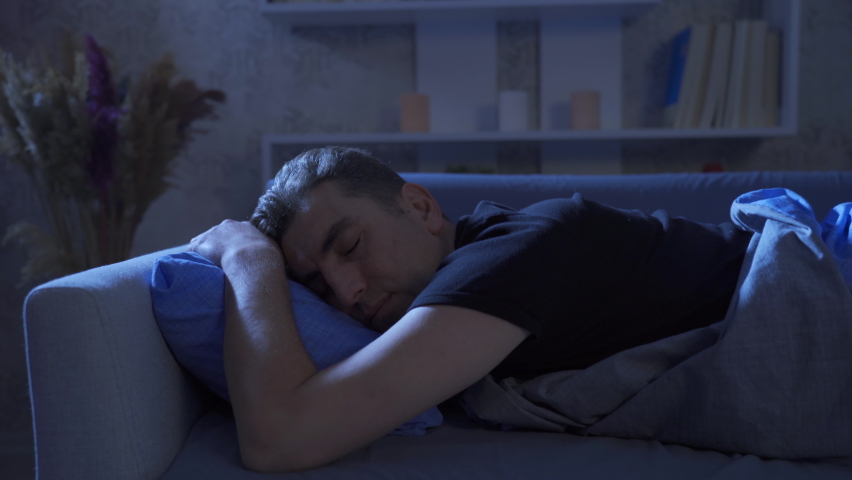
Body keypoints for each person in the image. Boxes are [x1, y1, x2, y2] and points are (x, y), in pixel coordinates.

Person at [188, 146, 752, 473]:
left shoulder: (517, 254)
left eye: (352, 245)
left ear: (420, 207)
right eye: (318, 286)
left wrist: (248, 260)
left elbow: (280, 438)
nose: (346, 291)